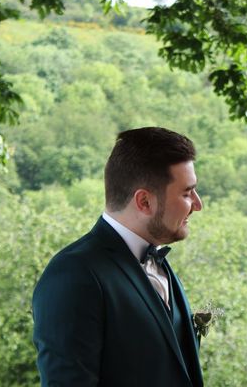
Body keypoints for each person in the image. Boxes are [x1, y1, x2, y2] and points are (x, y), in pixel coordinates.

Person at [32, 127, 204, 387]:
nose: (198, 204)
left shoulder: (160, 263)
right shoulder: (73, 274)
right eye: (186, 193)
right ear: (144, 202)